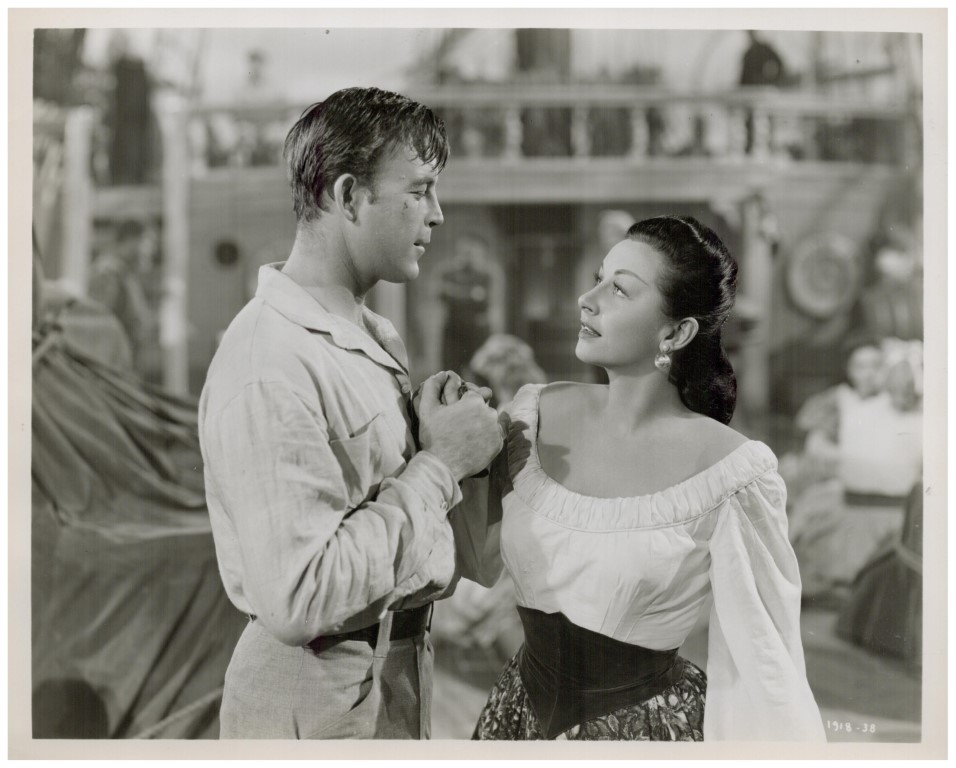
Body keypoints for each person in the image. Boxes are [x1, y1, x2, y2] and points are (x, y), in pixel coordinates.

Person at [198, 87, 504, 740]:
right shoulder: (269, 362)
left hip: (393, 667)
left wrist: (447, 439)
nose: (438, 214)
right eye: (419, 190)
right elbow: (300, 595)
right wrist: (440, 464)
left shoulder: (368, 334)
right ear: (347, 195)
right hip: (315, 696)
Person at [472, 215, 824, 741]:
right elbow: (475, 561)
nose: (587, 300)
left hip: (642, 734)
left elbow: (767, 666)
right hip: (515, 718)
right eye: (598, 279)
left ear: (676, 332)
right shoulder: (533, 412)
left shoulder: (733, 472)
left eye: (619, 289)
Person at [87, 218, 153, 364]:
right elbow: (99, 324)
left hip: (125, 365)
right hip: (111, 366)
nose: (150, 250)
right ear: (130, 240)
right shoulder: (107, 274)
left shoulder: (126, 274)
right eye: (146, 242)